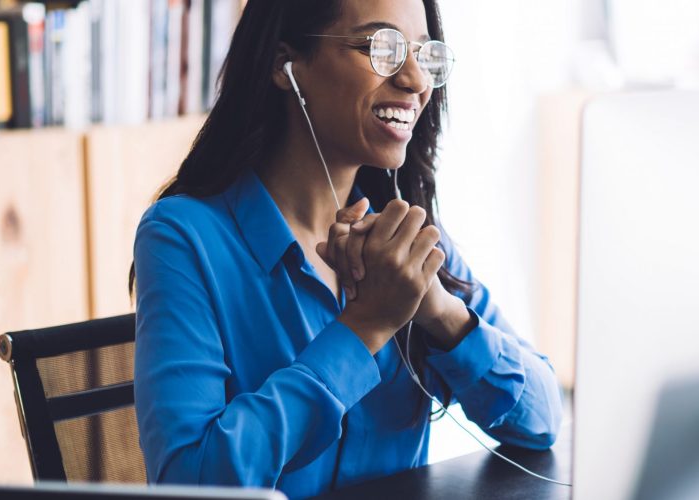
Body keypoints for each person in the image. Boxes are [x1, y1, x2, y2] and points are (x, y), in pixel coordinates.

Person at [131, 0, 562, 497]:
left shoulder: (407, 234)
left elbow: (544, 417)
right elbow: (191, 481)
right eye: (381, 47)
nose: (416, 81)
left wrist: (440, 313)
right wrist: (364, 329)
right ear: (284, 65)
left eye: (425, 55)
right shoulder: (184, 236)